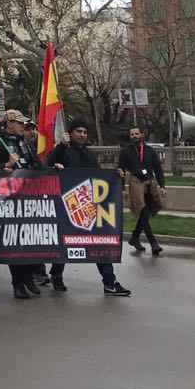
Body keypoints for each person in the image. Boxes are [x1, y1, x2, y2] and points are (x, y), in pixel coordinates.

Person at [47, 121, 131, 298]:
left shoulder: (89, 154)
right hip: (66, 208)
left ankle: (109, 282)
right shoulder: (62, 151)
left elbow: (98, 176)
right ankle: (56, 274)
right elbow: (47, 165)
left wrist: (114, 175)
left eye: (85, 131)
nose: (83, 134)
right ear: (70, 133)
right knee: (65, 243)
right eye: (79, 131)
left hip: (89, 205)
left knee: (100, 244)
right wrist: (57, 160)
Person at [0, 111, 45, 299]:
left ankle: (28, 278)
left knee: (29, 240)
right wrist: (5, 166)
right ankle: (17, 282)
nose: (22, 126)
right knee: (15, 243)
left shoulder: (24, 142)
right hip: (11, 200)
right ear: (9, 123)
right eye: (19, 123)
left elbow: (34, 164)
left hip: (29, 198)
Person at [118, 124, 167, 255]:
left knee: (148, 211)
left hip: (150, 183)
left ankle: (134, 237)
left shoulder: (150, 151)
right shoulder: (126, 151)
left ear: (142, 135)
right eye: (132, 134)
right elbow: (120, 170)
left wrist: (162, 186)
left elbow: (158, 169)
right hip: (136, 183)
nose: (134, 136)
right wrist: (122, 188)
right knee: (143, 211)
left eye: (136, 134)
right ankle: (153, 243)